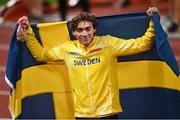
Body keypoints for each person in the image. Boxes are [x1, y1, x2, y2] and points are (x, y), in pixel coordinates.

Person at [16, 7, 158, 119]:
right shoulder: (67, 49)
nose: (84, 34)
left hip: (107, 112)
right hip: (82, 114)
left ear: (94, 29)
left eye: (88, 29)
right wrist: (28, 31)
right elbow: (41, 55)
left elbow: (142, 44)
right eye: (80, 30)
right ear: (74, 32)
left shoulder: (108, 44)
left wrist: (153, 22)